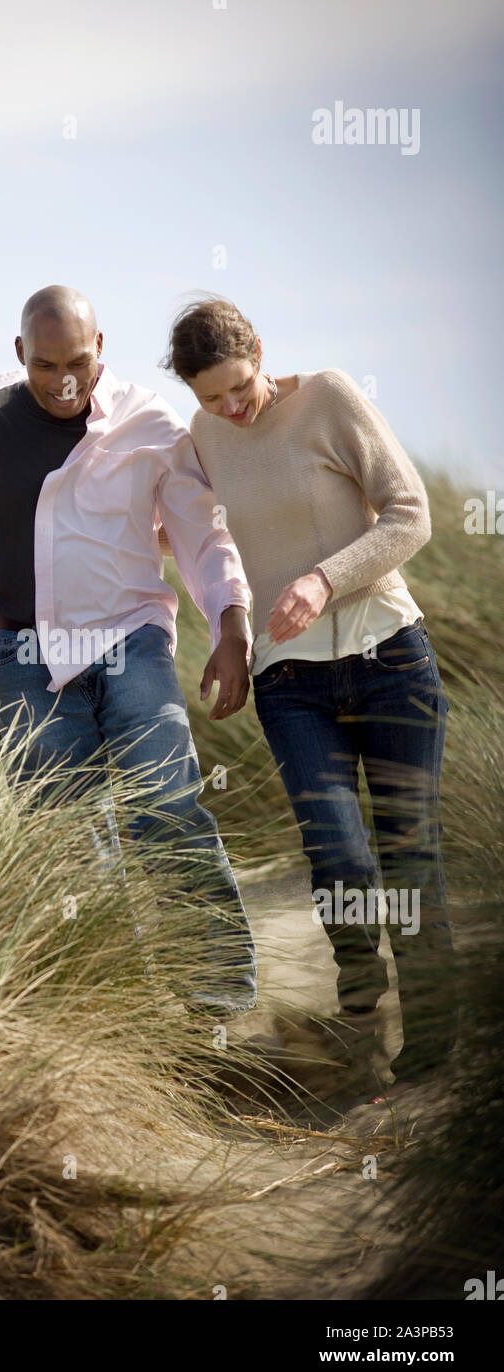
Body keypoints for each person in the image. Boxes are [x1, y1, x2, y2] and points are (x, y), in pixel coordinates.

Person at [0, 285, 256, 1017]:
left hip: (132, 639)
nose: (63, 381)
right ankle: (104, 1011)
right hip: (24, 651)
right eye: (46, 364)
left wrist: (232, 623)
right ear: (21, 354)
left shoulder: (149, 424)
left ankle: (220, 1004)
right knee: (62, 833)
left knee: (166, 806)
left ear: (102, 348)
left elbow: (203, 535)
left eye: (78, 362)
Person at [162, 294, 457, 1096]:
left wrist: (323, 582)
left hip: (391, 657)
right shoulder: (203, 436)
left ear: (258, 347)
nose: (231, 406)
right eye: (211, 397)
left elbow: (411, 515)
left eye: (239, 385)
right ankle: (363, 1028)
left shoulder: (328, 395)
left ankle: (435, 1045)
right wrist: (227, 632)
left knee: (408, 855)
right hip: (289, 683)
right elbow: (183, 529)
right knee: (338, 857)